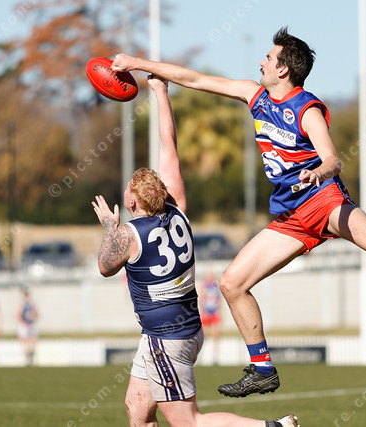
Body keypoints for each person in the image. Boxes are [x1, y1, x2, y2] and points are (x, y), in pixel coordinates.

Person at [111, 27, 366, 397]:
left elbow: (333, 159)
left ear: (283, 69)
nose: (261, 62)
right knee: (231, 283)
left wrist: (318, 173)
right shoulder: (254, 95)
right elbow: (193, 78)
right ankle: (263, 370)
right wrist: (139, 64)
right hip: (291, 217)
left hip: (323, 199)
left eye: (268, 57)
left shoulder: (307, 109)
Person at [92, 75, 298, 427]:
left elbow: (104, 266)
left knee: (189, 422)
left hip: (166, 339)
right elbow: (168, 146)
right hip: (182, 329)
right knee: (138, 408)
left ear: (132, 202)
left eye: (128, 189)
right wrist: (161, 91)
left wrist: (110, 226)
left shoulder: (128, 234)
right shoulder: (178, 209)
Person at [198, 270, 221, 364]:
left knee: (216, 335)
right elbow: (201, 299)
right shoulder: (204, 285)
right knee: (204, 335)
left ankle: (215, 356)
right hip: (206, 312)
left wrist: (219, 311)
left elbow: (219, 300)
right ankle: (200, 355)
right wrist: (203, 311)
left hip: (214, 312)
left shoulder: (216, 286)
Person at [17, 290, 39, 366]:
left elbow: (36, 313)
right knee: (24, 341)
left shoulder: (32, 305)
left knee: (32, 341)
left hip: (31, 325)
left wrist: (33, 318)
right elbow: (18, 315)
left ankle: (31, 357)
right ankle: (26, 357)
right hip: (24, 325)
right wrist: (24, 323)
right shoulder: (21, 305)